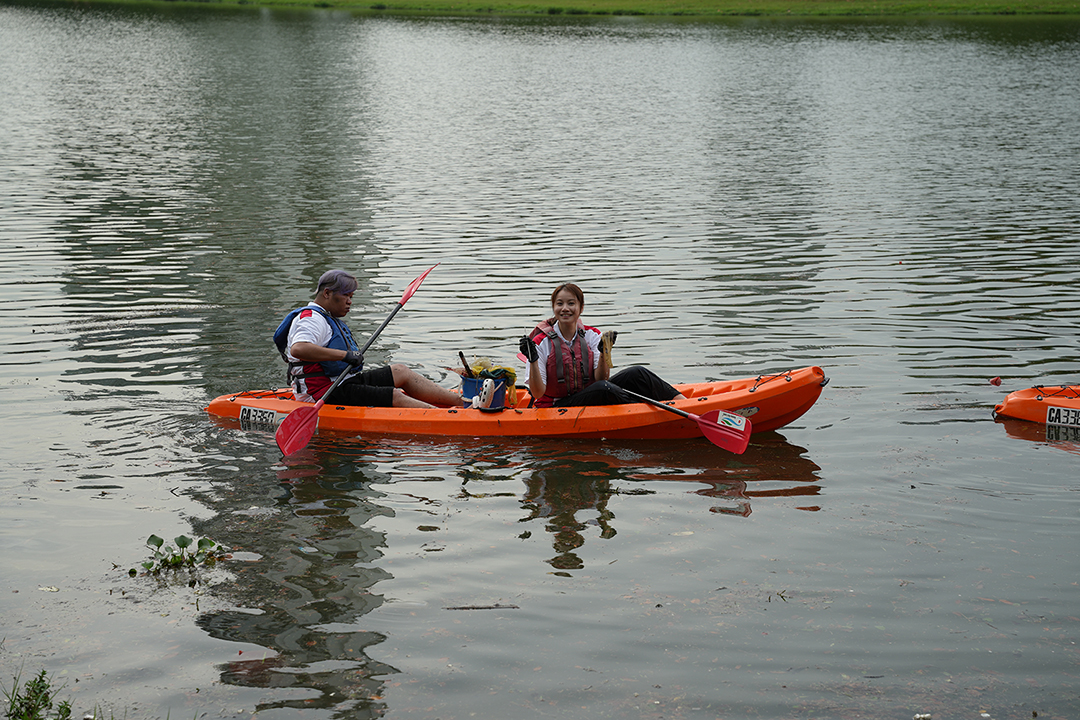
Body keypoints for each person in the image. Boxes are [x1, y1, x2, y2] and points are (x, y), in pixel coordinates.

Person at [273, 269, 468, 409]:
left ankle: (463, 403)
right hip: (322, 393)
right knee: (393, 395)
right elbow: (299, 349)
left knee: (400, 371)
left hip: (343, 382)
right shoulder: (311, 319)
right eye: (346, 296)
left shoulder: (326, 317)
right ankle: (448, 418)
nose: (350, 301)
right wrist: (345, 356)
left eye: (351, 296)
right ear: (327, 293)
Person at [519, 283, 686, 408]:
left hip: (591, 393)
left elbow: (601, 377)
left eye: (571, 303)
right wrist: (533, 360)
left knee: (637, 373)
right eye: (559, 304)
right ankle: (647, 409)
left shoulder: (592, 335)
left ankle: (684, 404)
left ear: (581, 308)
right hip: (556, 406)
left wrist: (604, 352)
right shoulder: (540, 342)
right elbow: (537, 393)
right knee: (603, 388)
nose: (565, 309)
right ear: (554, 307)